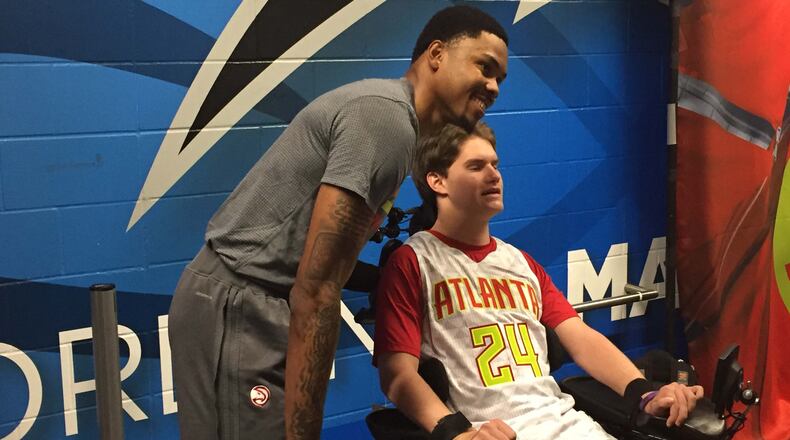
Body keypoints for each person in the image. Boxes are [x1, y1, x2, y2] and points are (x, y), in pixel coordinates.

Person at [167, 5, 509, 440]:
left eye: (501, 78)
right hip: (242, 303)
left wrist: (384, 278)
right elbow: (316, 289)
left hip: (251, 298)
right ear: (436, 54)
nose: (493, 86)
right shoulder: (387, 121)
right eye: (485, 67)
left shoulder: (396, 122)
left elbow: (320, 257)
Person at [373, 123, 705, 440]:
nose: (494, 175)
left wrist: (645, 394)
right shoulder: (414, 261)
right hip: (489, 429)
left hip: (566, 422)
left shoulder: (520, 263)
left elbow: (580, 337)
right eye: (476, 166)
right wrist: (455, 432)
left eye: (495, 164)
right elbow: (397, 374)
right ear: (437, 181)